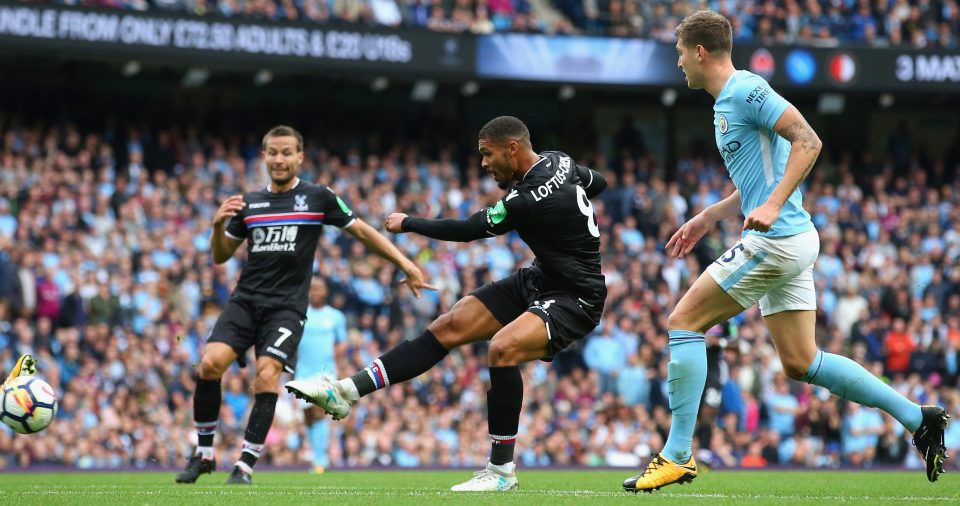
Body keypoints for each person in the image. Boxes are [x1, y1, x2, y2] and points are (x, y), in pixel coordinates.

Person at [622, 10, 949, 493]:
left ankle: (678, 454)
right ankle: (917, 417)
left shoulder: (744, 90)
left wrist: (774, 205)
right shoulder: (723, 105)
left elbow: (807, 139)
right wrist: (709, 217)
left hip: (777, 240)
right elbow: (757, 182)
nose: (677, 65)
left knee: (682, 322)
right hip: (789, 241)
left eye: (679, 55)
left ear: (700, 52)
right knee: (801, 361)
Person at [286, 116, 607, 491]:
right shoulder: (560, 161)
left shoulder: (525, 199)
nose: (484, 164)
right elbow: (596, 182)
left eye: (488, 155)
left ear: (513, 149)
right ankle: (344, 392)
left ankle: (502, 473)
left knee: (502, 348)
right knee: (447, 326)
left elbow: (469, 230)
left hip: (575, 296)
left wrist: (408, 223)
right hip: (539, 279)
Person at [175, 125, 432, 485]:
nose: (279, 159)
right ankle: (204, 455)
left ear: (300, 157)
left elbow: (362, 231)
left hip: (286, 308)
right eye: (273, 153)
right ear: (264, 157)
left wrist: (406, 264)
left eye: (286, 153)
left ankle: (245, 465)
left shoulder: (318, 198)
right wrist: (218, 226)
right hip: (245, 301)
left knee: (266, 375)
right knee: (208, 365)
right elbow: (220, 256)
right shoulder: (248, 203)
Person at [294, 277, 347, 474]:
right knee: (308, 415)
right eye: (312, 289)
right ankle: (316, 456)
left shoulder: (335, 317)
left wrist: (339, 365)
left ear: (326, 291)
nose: (315, 292)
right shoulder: (300, 315)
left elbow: (342, 343)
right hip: (303, 371)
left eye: (319, 289)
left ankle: (321, 460)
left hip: (326, 371)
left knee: (319, 411)